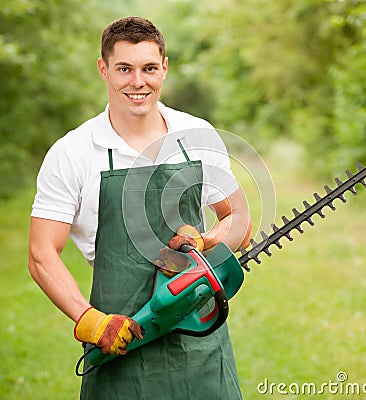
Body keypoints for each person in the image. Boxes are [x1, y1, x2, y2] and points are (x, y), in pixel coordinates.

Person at [28, 16, 252, 400]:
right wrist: (89, 321)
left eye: (149, 68)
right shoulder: (73, 152)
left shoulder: (195, 134)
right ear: (104, 70)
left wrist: (207, 240)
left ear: (164, 67)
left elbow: (237, 219)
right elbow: (41, 254)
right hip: (121, 340)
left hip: (199, 336)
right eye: (124, 69)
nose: (138, 82)